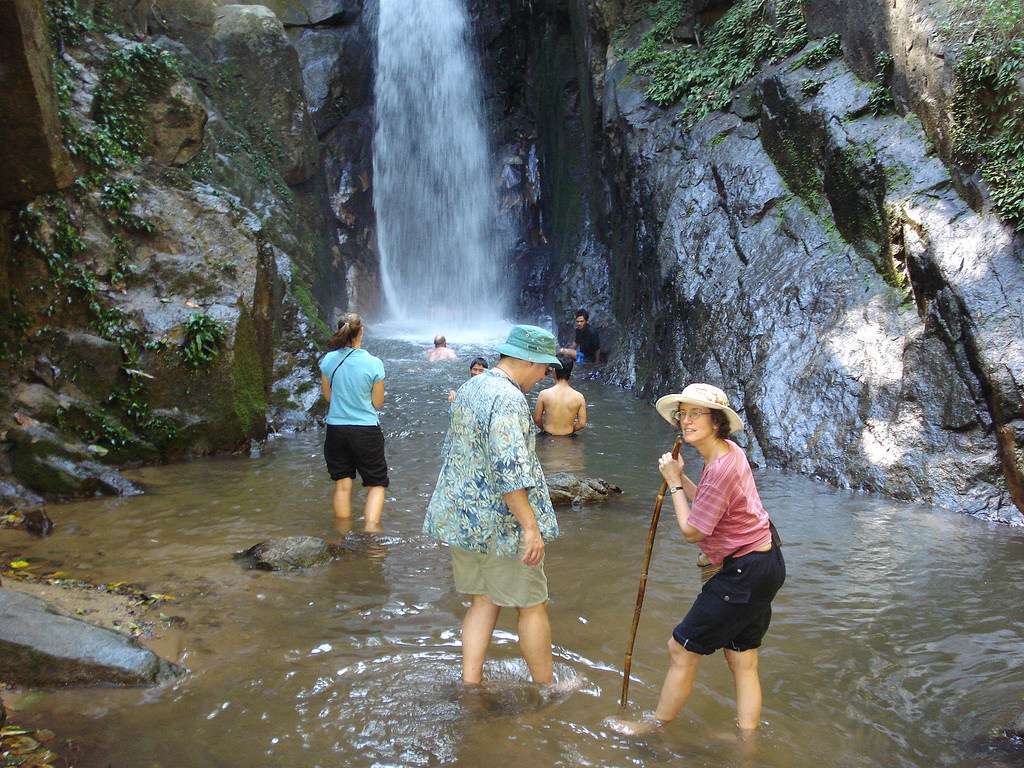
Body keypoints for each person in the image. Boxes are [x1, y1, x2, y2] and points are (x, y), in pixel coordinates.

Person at [610, 383, 785, 735]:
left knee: (680, 648)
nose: (686, 421)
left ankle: (655, 727)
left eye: (696, 414)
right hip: (766, 564)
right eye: (683, 414)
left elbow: (693, 531)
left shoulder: (721, 466)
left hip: (743, 572)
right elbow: (709, 501)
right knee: (742, 657)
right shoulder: (727, 453)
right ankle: (747, 740)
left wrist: (674, 482)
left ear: (717, 421)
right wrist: (683, 476)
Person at [423, 325, 562, 685]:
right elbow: (509, 470)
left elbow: (453, 453)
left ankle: (471, 683)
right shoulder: (510, 399)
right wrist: (530, 528)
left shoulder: (471, 387)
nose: (545, 375)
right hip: (501, 527)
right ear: (528, 360)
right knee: (532, 605)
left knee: (482, 600)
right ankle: (547, 689)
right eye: (544, 367)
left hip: (463, 520)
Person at [318, 313, 388, 532]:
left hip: (336, 429)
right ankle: (371, 534)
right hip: (365, 430)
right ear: (361, 332)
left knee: (342, 484)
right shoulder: (374, 363)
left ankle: (342, 536)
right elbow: (377, 403)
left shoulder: (328, 360)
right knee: (376, 484)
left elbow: (328, 397)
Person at [533, 353, 587, 435]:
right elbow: (582, 423)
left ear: (554, 371)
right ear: (570, 371)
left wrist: (544, 429)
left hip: (548, 437)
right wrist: (571, 430)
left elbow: (537, 419)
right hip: (568, 438)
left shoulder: (544, 394)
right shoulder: (579, 397)